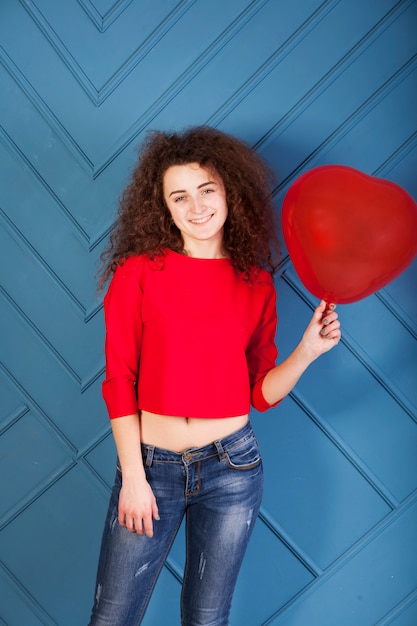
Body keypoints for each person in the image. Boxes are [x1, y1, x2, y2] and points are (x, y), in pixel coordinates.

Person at [88, 126, 341, 626]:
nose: (196, 207)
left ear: (229, 193)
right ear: (164, 207)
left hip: (232, 469)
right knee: (111, 618)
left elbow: (260, 392)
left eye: (207, 190)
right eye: (179, 197)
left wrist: (308, 351)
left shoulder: (256, 282)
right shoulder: (139, 272)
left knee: (207, 620)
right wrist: (133, 479)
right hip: (150, 468)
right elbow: (119, 379)